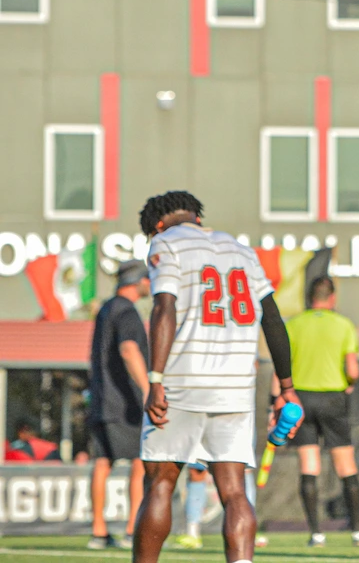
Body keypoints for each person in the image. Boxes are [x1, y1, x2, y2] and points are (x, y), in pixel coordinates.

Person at [133, 191, 302, 563]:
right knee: (235, 492)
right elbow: (272, 318)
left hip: (183, 381)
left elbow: (164, 307)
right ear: (195, 215)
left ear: (157, 225)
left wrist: (156, 379)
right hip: (236, 386)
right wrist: (286, 388)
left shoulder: (165, 242)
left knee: (160, 484)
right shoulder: (241, 250)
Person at [283, 275, 359, 548]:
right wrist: (349, 384)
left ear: (309, 298)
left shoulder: (293, 325)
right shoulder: (343, 325)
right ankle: (358, 532)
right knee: (346, 465)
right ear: (332, 297)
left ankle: (315, 534)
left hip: (300, 399)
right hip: (334, 399)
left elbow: (281, 368)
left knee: (309, 465)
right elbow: (353, 370)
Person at [86, 259, 150, 550]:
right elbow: (128, 348)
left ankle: (98, 531)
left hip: (101, 400)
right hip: (126, 403)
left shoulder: (106, 309)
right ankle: (131, 529)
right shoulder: (127, 311)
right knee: (140, 463)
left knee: (102, 463)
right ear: (138, 281)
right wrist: (148, 389)